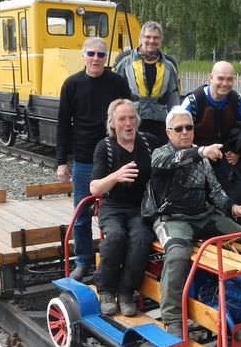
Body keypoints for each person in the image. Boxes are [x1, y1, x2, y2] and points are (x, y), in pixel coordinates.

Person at [144, 107, 241, 337]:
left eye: (189, 127)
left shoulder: (200, 156)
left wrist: (233, 208)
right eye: (179, 128)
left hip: (203, 215)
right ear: (168, 133)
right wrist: (202, 151)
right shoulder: (160, 154)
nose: (185, 132)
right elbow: (175, 160)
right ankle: (172, 317)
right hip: (172, 218)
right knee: (177, 256)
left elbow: (214, 190)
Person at [56, 37, 132, 282]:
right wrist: (61, 161)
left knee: (123, 210)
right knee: (82, 213)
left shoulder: (118, 83)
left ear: (106, 58)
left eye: (101, 55)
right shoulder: (71, 85)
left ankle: (121, 258)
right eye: (91, 54)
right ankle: (83, 261)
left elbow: (129, 119)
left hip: (115, 158)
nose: (96, 59)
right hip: (85, 159)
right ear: (83, 56)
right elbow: (63, 125)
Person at [89, 99, 155, 316]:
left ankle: (126, 292)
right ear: (113, 124)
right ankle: (106, 289)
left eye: (131, 118)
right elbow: (95, 188)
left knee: (141, 239)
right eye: (122, 119)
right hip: (113, 206)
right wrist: (116, 176)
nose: (128, 123)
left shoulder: (149, 142)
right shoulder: (104, 147)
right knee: (116, 237)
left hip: (141, 208)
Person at [113, 21, 180, 147]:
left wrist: (175, 123)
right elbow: (114, 93)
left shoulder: (169, 64)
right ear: (141, 38)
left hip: (159, 123)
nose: (151, 40)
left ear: (160, 40)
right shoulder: (124, 60)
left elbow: (173, 96)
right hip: (132, 121)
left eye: (156, 37)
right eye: (148, 37)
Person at [181, 61, 241, 147]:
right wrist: (199, 152)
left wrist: (237, 152)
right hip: (198, 154)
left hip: (228, 154)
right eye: (221, 78)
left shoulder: (238, 100)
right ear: (211, 77)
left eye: (229, 79)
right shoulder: (192, 102)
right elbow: (178, 136)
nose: (225, 83)